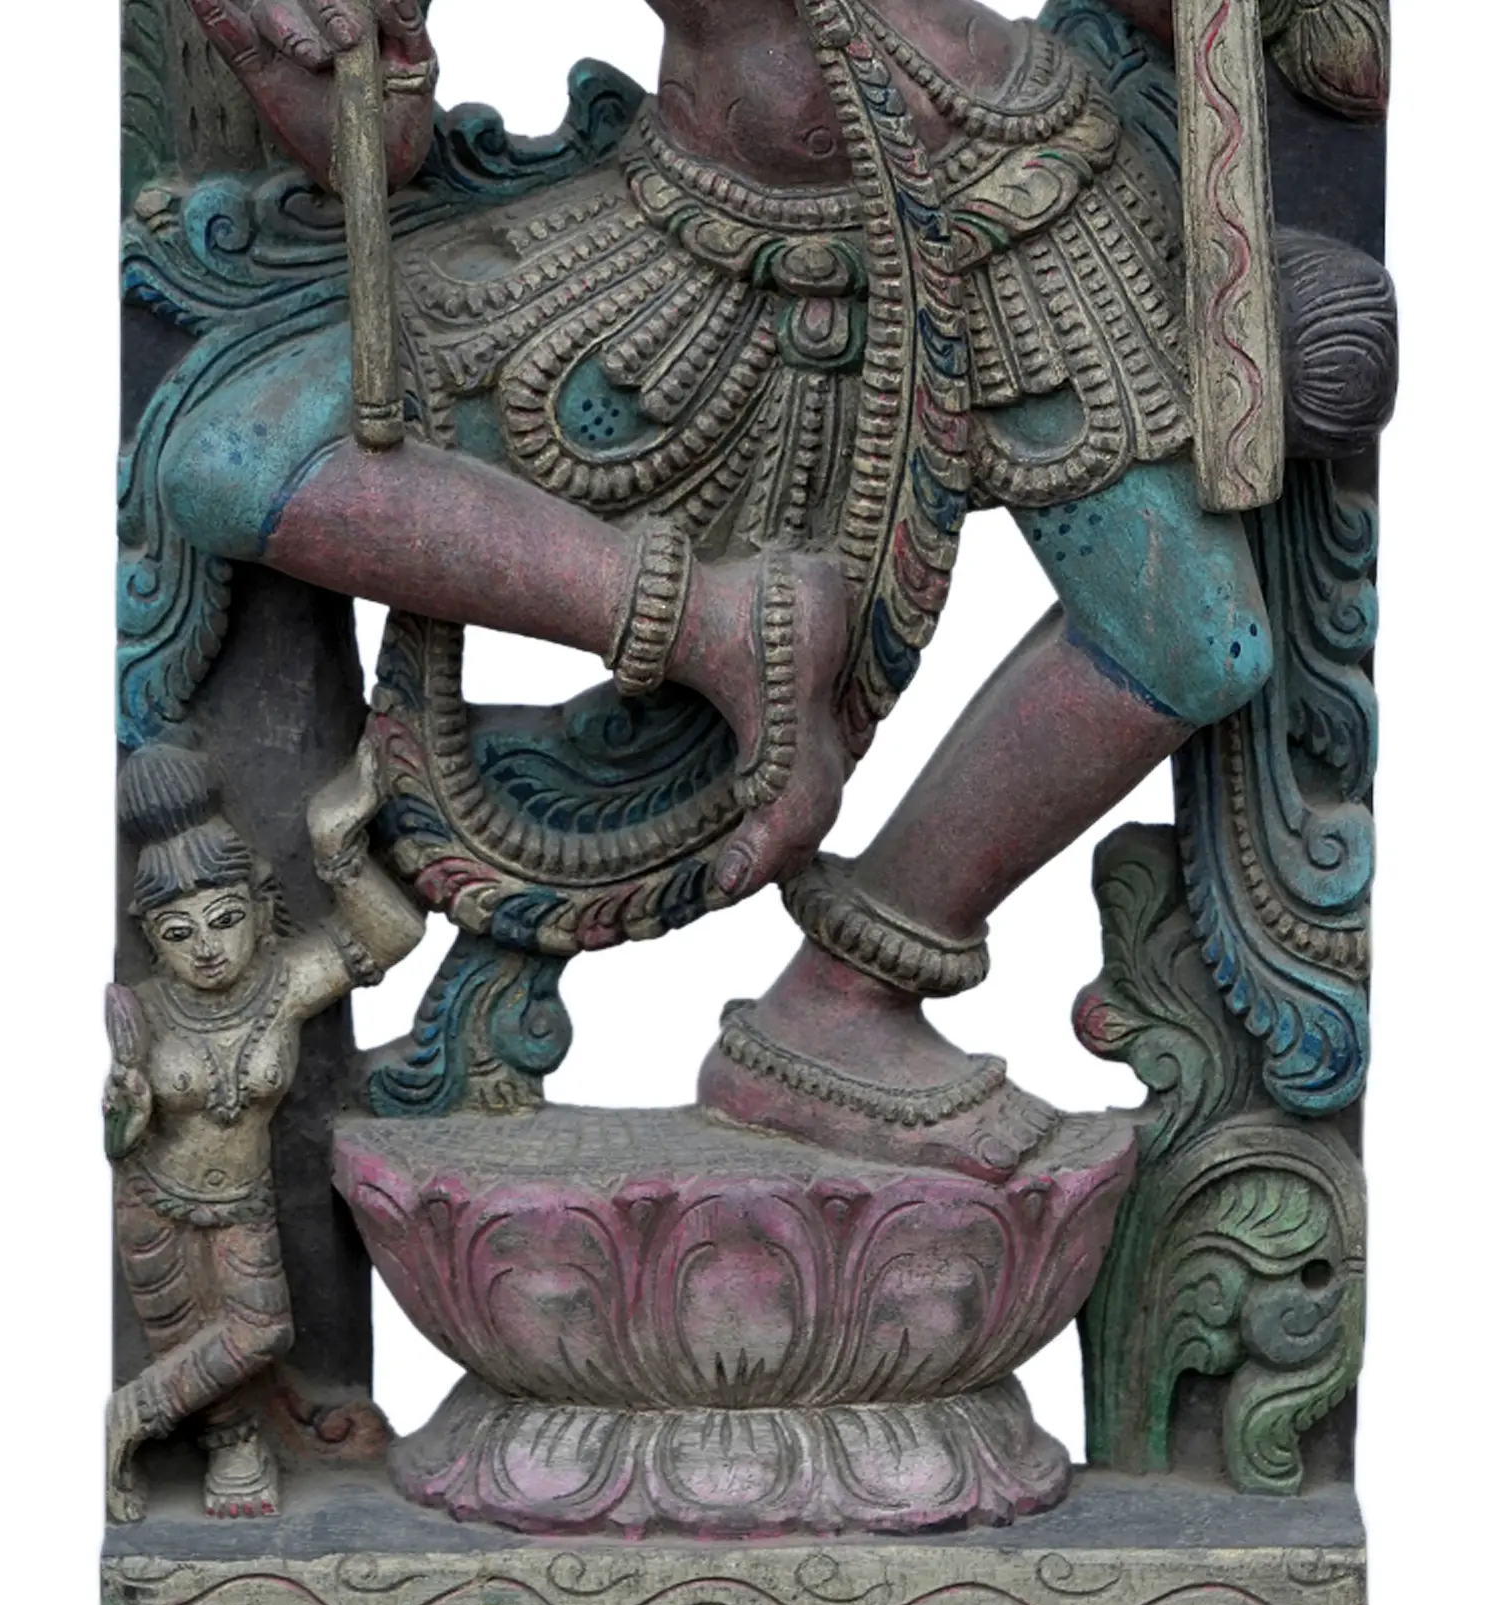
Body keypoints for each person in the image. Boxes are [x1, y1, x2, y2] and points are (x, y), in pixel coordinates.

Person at [167, 2, 1319, 1176]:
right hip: (706, 262)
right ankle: (714, 625)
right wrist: (328, 58)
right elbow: (380, 143)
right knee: (236, 461)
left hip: (1032, 210)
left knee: (1192, 644)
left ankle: (848, 993)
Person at [104, 735, 424, 1520]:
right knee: (193, 1346)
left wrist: (336, 845)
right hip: (156, 1201)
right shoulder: (145, 1009)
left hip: (243, 1201)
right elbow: (117, 1143)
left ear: (257, 903)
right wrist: (125, 1109)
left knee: (260, 1331)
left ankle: (132, 1416)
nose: (208, 949)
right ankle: (232, 1449)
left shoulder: (282, 984)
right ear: (152, 940)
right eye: (178, 934)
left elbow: (392, 936)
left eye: (223, 919)